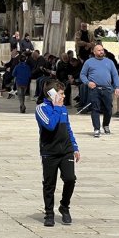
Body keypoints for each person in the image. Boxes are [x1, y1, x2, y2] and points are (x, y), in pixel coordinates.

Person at [35, 80, 80, 227]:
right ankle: (49, 214)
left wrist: (74, 146)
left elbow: (67, 127)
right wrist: (56, 107)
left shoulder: (63, 109)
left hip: (65, 150)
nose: (64, 95)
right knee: (49, 184)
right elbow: (50, 125)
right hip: (50, 151)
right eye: (61, 93)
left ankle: (64, 206)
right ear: (52, 94)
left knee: (70, 178)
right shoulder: (42, 108)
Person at [80, 43, 119, 137]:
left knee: (108, 109)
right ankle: (97, 129)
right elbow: (82, 75)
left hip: (107, 89)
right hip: (94, 89)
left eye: (102, 50)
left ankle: (106, 125)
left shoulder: (109, 62)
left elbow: (115, 75)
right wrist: (88, 82)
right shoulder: (89, 62)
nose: (101, 51)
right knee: (95, 108)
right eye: (99, 50)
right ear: (94, 52)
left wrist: (117, 87)